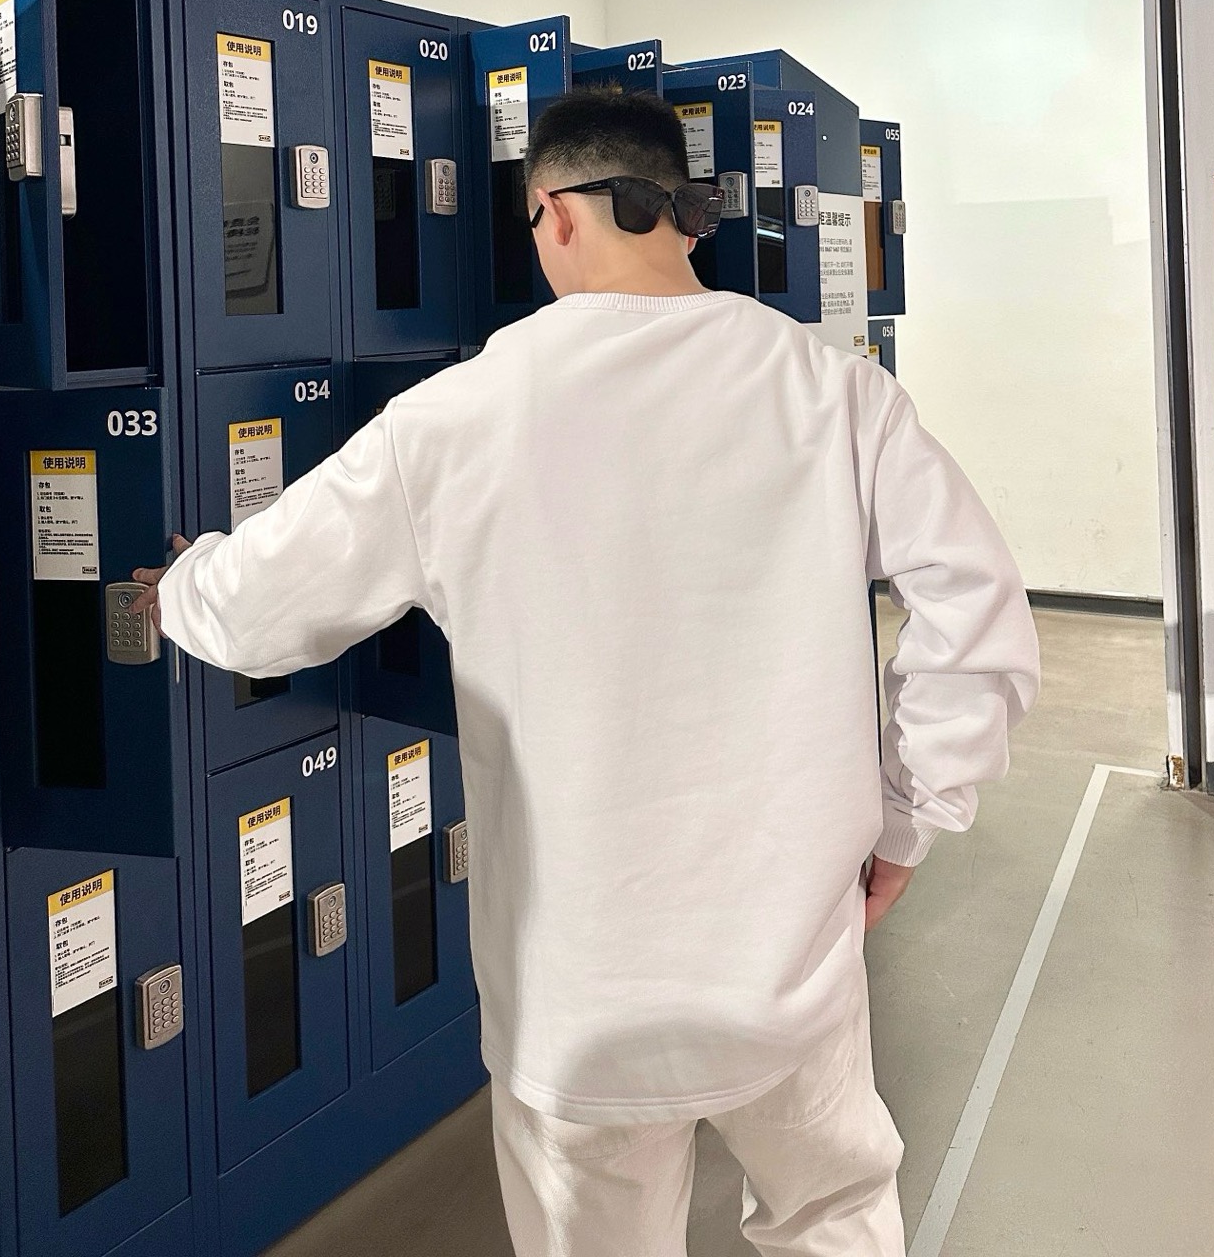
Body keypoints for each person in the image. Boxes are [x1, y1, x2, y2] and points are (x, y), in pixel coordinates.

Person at [134, 87, 1039, 1257]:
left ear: (556, 213)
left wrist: (184, 582)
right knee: (832, 1213)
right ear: (682, 212)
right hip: (792, 957)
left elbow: (259, 611)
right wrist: (909, 819)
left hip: (580, 991)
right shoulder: (832, 390)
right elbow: (978, 610)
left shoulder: (457, 416)